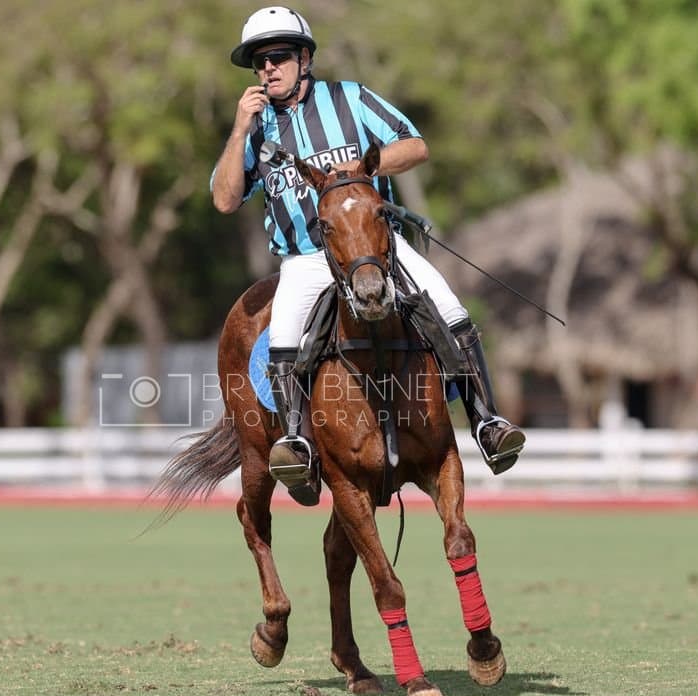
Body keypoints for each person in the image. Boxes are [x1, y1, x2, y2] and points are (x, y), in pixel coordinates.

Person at [211, 6, 524, 505]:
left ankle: (487, 422)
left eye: (279, 57)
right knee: (286, 337)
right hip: (308, 258)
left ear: (305, 58)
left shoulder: (349, 99)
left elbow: (415, 146)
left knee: (451, 311)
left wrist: (357, 168)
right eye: (260, 61)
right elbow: (226, 199)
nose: (268, 68)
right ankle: (296, 440)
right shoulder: (255, 129)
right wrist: (238, 130)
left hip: (377, 249)